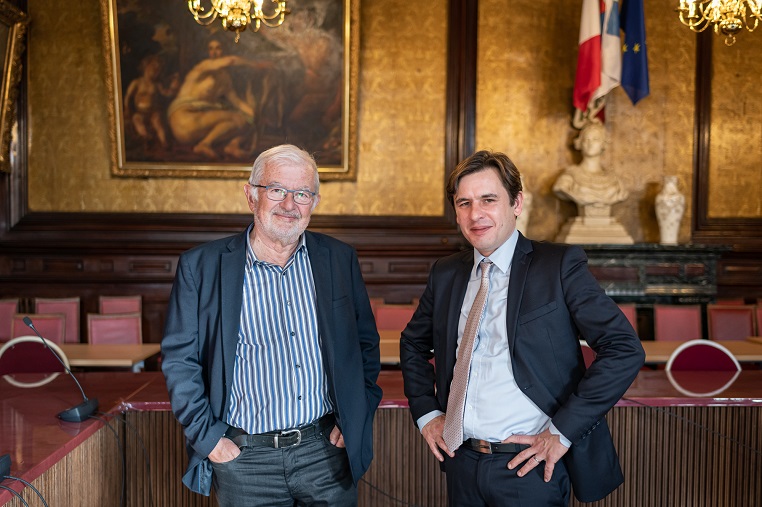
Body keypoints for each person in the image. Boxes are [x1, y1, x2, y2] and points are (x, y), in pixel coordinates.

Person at [399, 150, 645, 505]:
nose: (475, 214)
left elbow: (624, 348)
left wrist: (561, 434)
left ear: (516, 203)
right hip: (461, 462)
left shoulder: (558, 266)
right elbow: (412, 344)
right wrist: (427, 413)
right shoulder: (447, 272)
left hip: (529, 467)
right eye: (464, 203)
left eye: (488, 199)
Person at [162, 144, 382, 506]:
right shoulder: (201, 267)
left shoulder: (339, 260)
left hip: (326, 453)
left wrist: (355, 417)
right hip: (245, 460)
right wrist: (210, 440)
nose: (289, 204)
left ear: (315, 201)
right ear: (251, 195)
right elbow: (178, 362)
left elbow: (365, 349)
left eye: (302, 194)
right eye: (277, 190)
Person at [167, 38, 274, 159]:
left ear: (225, 51)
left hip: (196, 125)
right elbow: (230, 61)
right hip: (183, 119)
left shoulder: (224, 78)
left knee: (244, 121)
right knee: (238, 118)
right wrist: (256, 65)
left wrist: (255, 117)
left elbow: (237, 102)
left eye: (218, 48)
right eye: (211, 48)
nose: (214, 52)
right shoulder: (202, 67)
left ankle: (230, 145)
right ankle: (205, 144)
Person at [553, 120, 628, 217]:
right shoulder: (569, 176)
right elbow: (561, 189)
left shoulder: (614, 180)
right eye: (586, 139)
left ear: (603, 144)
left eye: (595, 139)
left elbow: (622, 194)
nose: (590, 143)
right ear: (580, 143)